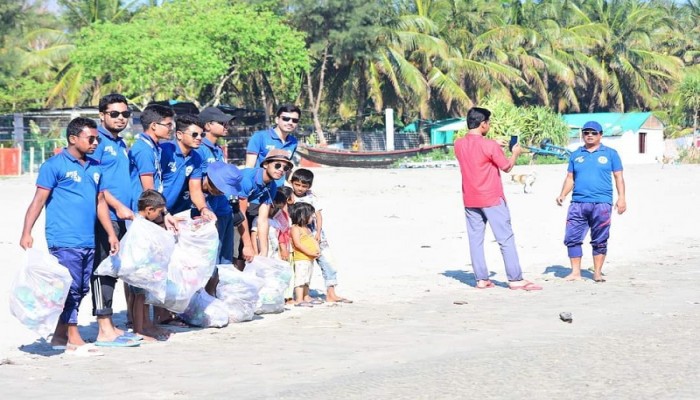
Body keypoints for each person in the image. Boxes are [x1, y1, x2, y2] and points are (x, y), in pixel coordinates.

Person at [20, 117, 120, 355]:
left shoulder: (96, 167)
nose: (96, 142)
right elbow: (38, 201)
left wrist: (110, 234)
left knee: (82, 288)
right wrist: (26, 232)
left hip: (88, 239)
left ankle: (59, 334)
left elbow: (100, 203)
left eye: (97, 138)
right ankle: (74, 337)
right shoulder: (54, 166)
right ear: (73, 139)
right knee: (70, 288)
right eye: (91, 138)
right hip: (63, 238)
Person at [454, 107, 542, 291]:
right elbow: (507, 167)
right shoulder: (489, 145)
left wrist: (493, 144)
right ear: (483, 123)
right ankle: (515, 279)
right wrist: (515, 153)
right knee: (505, 238)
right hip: (491, 197)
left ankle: (481, 279)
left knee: (475, 239)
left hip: (470, 198)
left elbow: (476, 148)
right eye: (488, 122)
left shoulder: (458, 144)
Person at [91, 93, 141, 347]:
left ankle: (110, 324)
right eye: (114, 114)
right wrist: (118, 206)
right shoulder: (96, 141)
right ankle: (102, 329)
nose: (120, 118)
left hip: (122, 218)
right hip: (105, 216)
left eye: (125, 114)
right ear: (102, 115)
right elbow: (96, 182)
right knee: (102, 271)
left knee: (114, 271)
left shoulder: (120, 144)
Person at [556, 120, 626, 282]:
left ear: (600, 135)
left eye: (594, 133)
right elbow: (570, 178)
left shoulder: (611, 154)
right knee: (572, 238)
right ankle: (575, 272)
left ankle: (597, 272)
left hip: (602, 203)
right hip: (578, 203)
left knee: (600, 238)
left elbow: (619, 177)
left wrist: (621, 198)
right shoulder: (576, 155)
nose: (589, 135)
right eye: (586, 133)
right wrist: (563, 194)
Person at [290, 168, 351, 303]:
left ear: (309, 186)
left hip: (315, 235)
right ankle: (300, 295)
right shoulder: (289, 197)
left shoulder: (312, 197)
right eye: (297, 185)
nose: (300, 188)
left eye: (304, 186)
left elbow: (318, 215)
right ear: (291, 182)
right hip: (299, 235)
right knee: (303, 265)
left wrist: (318, 232)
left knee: (328, 262)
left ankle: (331, 293)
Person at [196, 107, 236, 295]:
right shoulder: (200, 149)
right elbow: (198, 183)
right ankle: (203, 299)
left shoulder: (218, 149)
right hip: (209, 210)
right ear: (208, 125)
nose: (226, 126)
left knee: (223, 259)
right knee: (208, 259)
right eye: (222, 122)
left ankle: (213, 296)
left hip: (224, 208)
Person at [234, 149, 293, 270]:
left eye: (285, 168)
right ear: (265, 164)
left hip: (238, 212)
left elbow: (263, 219)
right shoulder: (247, 179)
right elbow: (241, 213)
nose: (281, 170)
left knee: (244, 253)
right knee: (233, 252)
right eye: (277, 165)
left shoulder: (272, 186)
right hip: (223, 209)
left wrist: (264, 252)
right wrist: (248, 245)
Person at [131, 190, 172, 342]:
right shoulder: (140, 225)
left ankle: (145, 326)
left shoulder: (142, 223)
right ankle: (139, 330)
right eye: (160, 212)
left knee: (142, 297)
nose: (160, 216)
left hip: (142, 267)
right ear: (149, 210)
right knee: (139, 297)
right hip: (139, 268)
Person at [159, 114, 214, 220]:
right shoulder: (164, 151)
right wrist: (162, 212)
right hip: (154, 211)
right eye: (194, 134)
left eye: (201, 134)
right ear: (179, 135)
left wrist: (204, 209)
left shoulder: (196, 157)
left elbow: (196, 190)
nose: (199, 138)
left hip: (175, 212)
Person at [129, 104, 174, 209]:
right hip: (143, 211)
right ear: (154, 125)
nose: (171, 129)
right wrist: (163, 213)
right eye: (168, 125)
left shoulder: (153, 147)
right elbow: (148, 189)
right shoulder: (144, 149)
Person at [245, 104, 300, 170]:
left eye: (295, 120)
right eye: (286, 119)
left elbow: (285, 168)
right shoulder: (259, 137)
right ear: (277, 120)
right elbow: (249, 168)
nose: (290, 122)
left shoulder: (293, 142)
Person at [289, 202, 320, 307]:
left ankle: (306, 296)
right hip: (301, 258)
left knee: (307, 278)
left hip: (309, 258)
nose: (313, 217)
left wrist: (317, 250)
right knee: (300, 278)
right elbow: (297, 244)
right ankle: (299, 298)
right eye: (311, 215)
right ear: (303, 215)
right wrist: (309, 252)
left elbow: (312, 239)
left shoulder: (307, 228)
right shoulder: (295, 228)